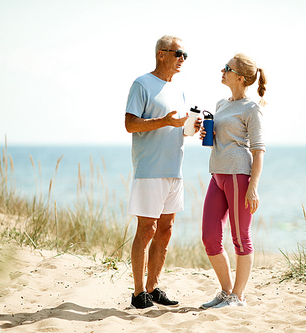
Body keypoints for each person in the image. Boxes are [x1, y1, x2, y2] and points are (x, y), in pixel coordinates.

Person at [125, 35, 201, 309]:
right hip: (149, 170)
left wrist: (191, 128)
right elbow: (131, 125)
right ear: (162, 54)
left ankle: (153, 287)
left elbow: (176, 127)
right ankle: (137, 293)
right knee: (147, 229)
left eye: (185, 55)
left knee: (166, 230)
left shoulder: (178, 90)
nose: (182, 59)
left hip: (174, 170)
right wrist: (164, 121)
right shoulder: (142, 84)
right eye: (178, 53)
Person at [199, 53, 267, 308]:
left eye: (227, 68)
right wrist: (209, 134)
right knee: (209, 237)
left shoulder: (252, 109)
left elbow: (259, 150)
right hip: (216, 175)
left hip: (239, 177)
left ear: (240, 77)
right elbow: (223, 140)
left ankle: (238, 296)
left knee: (240, 238)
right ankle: (227, 292)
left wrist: (253, 187)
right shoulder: (221, 104)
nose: (222, 70)